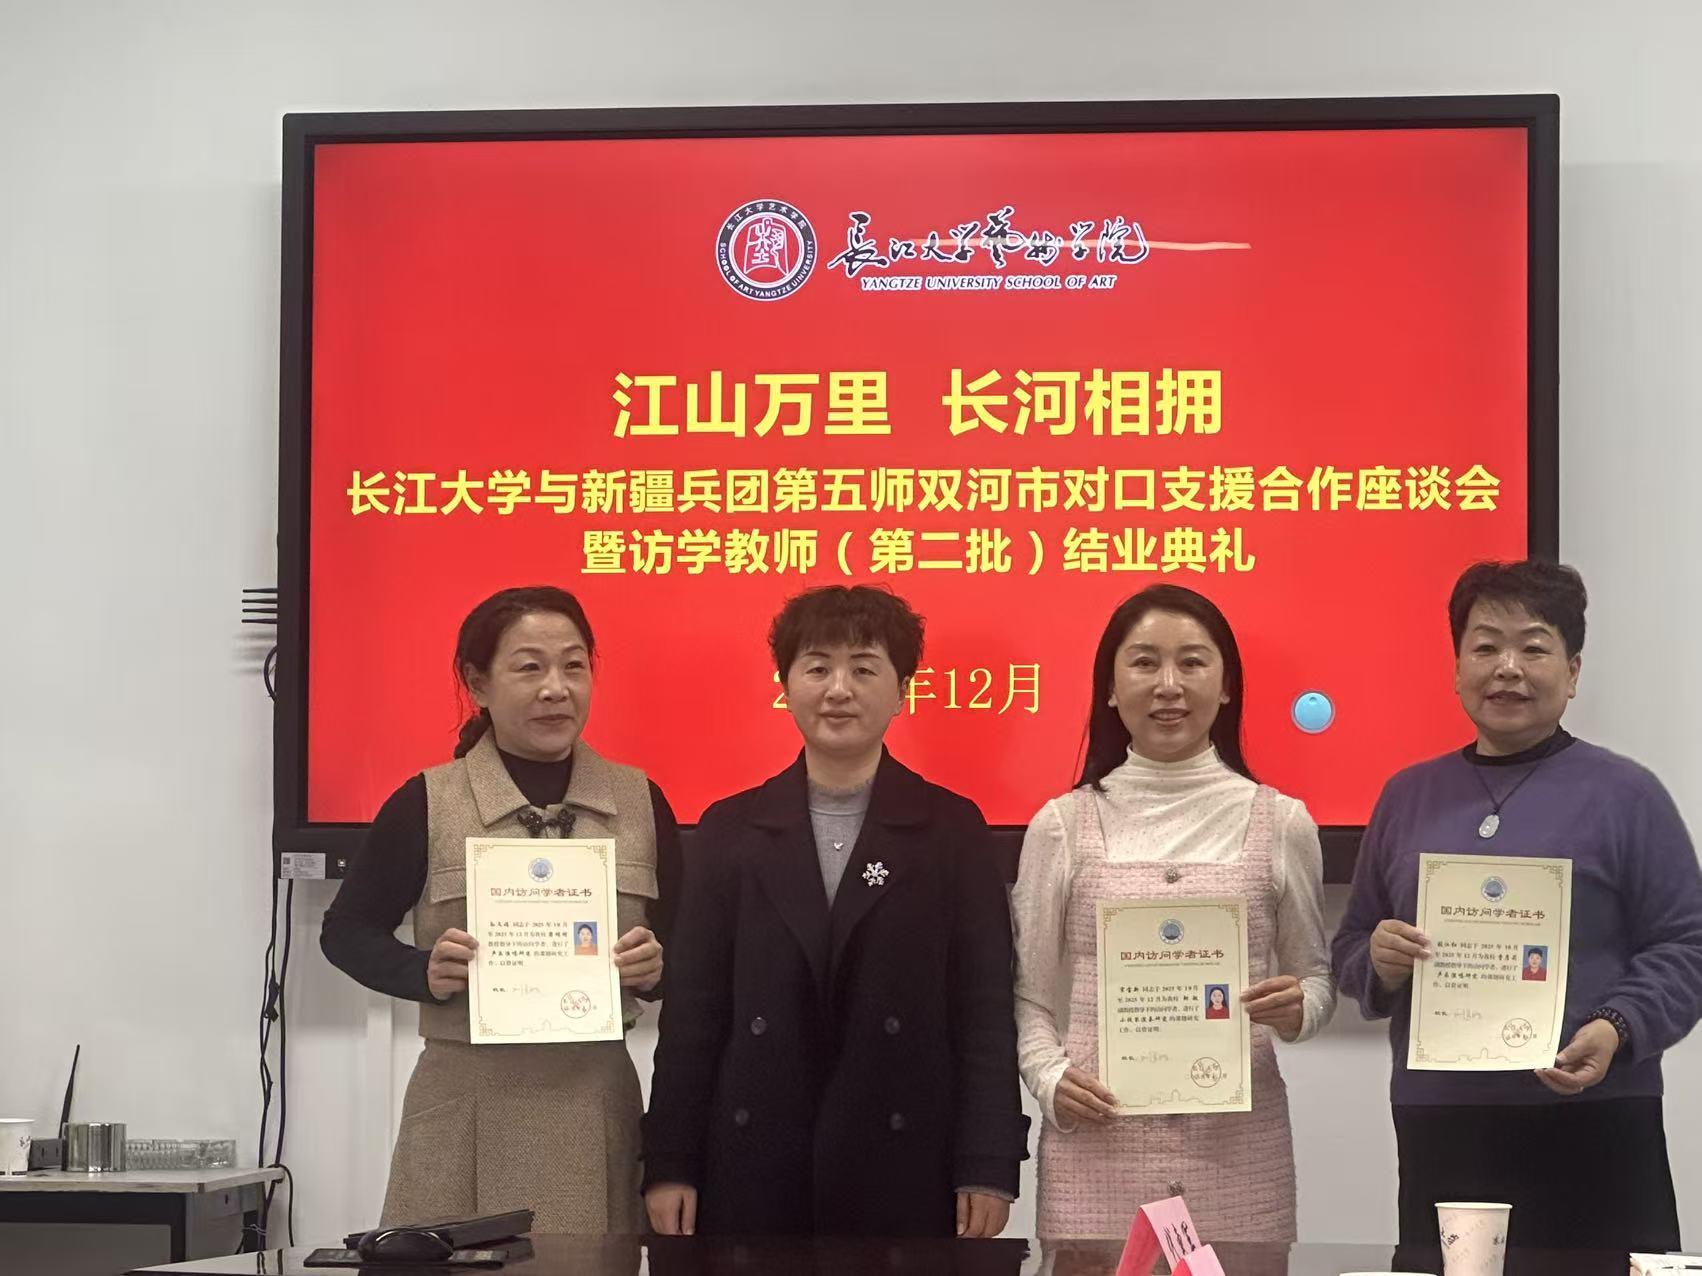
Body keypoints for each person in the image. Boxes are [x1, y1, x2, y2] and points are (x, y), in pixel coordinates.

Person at [1332, 559, 1702, 1252]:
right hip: (1445, 1121)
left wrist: (1617, 1027)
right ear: (1457, 669)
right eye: (1485, 647)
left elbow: (1687, 946)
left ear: (1573, 671)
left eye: (1533, 648)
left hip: (1595, 1115)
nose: (1508, 668)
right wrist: (1376, 960)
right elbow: (1352, 945)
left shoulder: (1627, 794)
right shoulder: (1407, 796)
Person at [643, 585, 1030, 1237]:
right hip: (753, 1159)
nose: (838, 689)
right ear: (786, 684)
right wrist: (670, 1162)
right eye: (818, 667)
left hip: (909, 1159)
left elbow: (984, 1013)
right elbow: (693, 1016)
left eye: (864, 668)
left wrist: (988, 1164)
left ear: (902, 689)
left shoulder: (951, 830)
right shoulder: (730, 830)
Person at [320, 585, 682, 1233]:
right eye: (529, 667)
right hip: (465, 1100)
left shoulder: (640, 801)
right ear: (477, 683)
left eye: (574, 666)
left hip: (595, 1098)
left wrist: (657, 968)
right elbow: (345, 931)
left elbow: (691, 954)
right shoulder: (428, 801)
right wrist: (421, 970)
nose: (556, 688)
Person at [1012, 584, 1335, 1242]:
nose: (1168, 685)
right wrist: (1049, 1078)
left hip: (1239, 1156)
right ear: (1110, 688)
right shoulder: (1061, 825)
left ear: (1226, 685)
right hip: (1096, 1152)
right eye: (1144, 663)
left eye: (1191, 662)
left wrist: (1299, 1007)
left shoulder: (1283, 822)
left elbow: (1317, 979)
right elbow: (1030, 995)